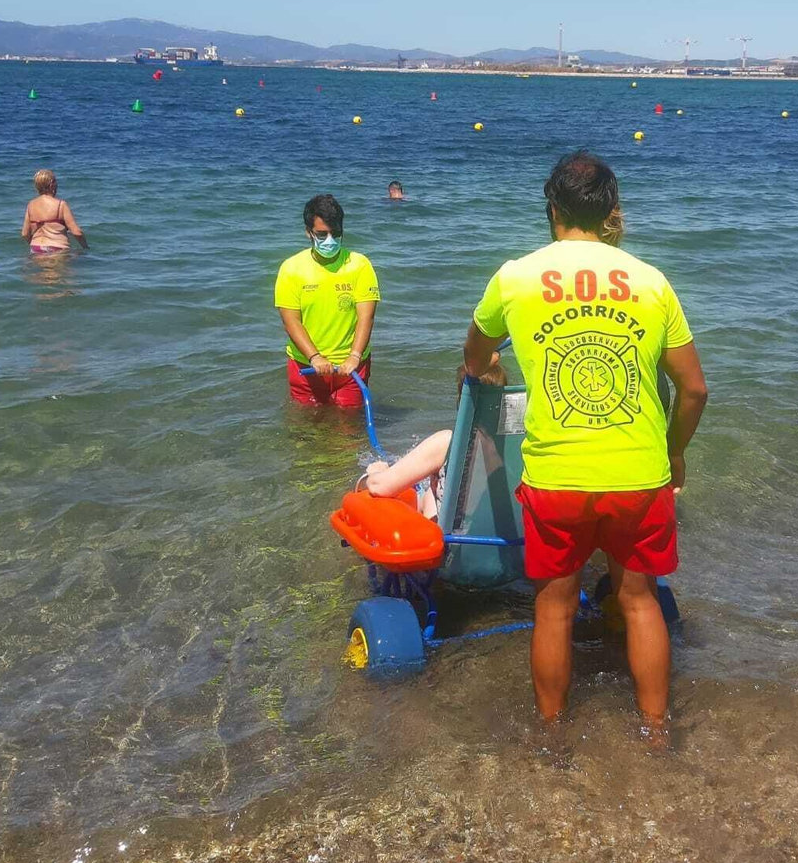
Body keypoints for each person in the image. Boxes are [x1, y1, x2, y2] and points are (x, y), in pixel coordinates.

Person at [461, 151, 707, 733]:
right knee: (640, 601)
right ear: (610, 212)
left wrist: (490, 366)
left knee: (553, 606)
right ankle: (655, 732)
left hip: (556, 479)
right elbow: (693, 390)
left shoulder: (515, 276)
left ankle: (552, 735)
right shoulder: (651, 281)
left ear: (553, 210)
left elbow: (475, 354)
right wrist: (674, 452)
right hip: (639, 477)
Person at [359, 352, 505, 519]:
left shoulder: (448, 443)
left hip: (454, 540)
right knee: (430, 492)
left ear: (462, 400)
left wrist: (376, 472)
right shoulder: (517, 444)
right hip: (496, 538)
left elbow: (380, 487)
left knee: (427, 493)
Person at [275, 194, 380, 409]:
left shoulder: (360, 265)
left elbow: (366, 317)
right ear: (308, 233)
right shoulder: (291, 268)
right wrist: (314, 357)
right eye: (322, 235)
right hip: (306, 366)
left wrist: (354, 356)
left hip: (351, 367)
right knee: (306, 427)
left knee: (348, 429)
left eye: (336, 233)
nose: (330, 240)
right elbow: (291, 321)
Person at [20, 169, 88, 254]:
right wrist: (86, 248)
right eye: (56, 182)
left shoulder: (31, 205)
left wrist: (36, 244)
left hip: (36, 249)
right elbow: (77, 232)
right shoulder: (60, 205)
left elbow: (25, 233)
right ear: (52, 185)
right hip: (57, 248)